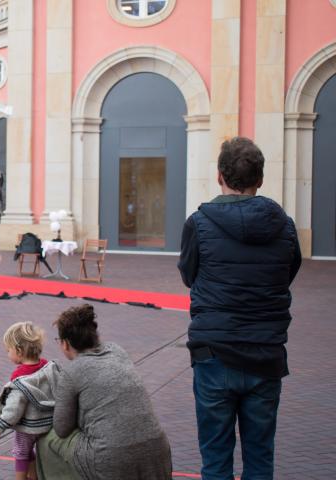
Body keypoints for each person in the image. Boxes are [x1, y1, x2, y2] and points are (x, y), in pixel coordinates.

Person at [178, 137, 301, 480]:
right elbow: (287, 274)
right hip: (266, 352)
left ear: (220, 176)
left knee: (215, 460)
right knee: (260, 458)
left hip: (214, 353)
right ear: (260, 179)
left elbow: (189, 276)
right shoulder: (285, 226)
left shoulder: (198, 224)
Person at [37, 304, 172, 480]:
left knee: (47, 439)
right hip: (158, 449)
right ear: (95, 336)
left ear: (65, 343)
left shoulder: (72, 371)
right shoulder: (118, 351)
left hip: (111, 458)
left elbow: (62, 428)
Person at [0, 321, 58, 480]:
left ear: (19, 351)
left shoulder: (19, 379)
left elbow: (14, 408)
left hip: (28, 426)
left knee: (21, 452)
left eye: (8, 350)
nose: (7, 354)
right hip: (47, 423)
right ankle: (33, 476)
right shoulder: (47, 366)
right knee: (30, 451)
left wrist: (1, 424)